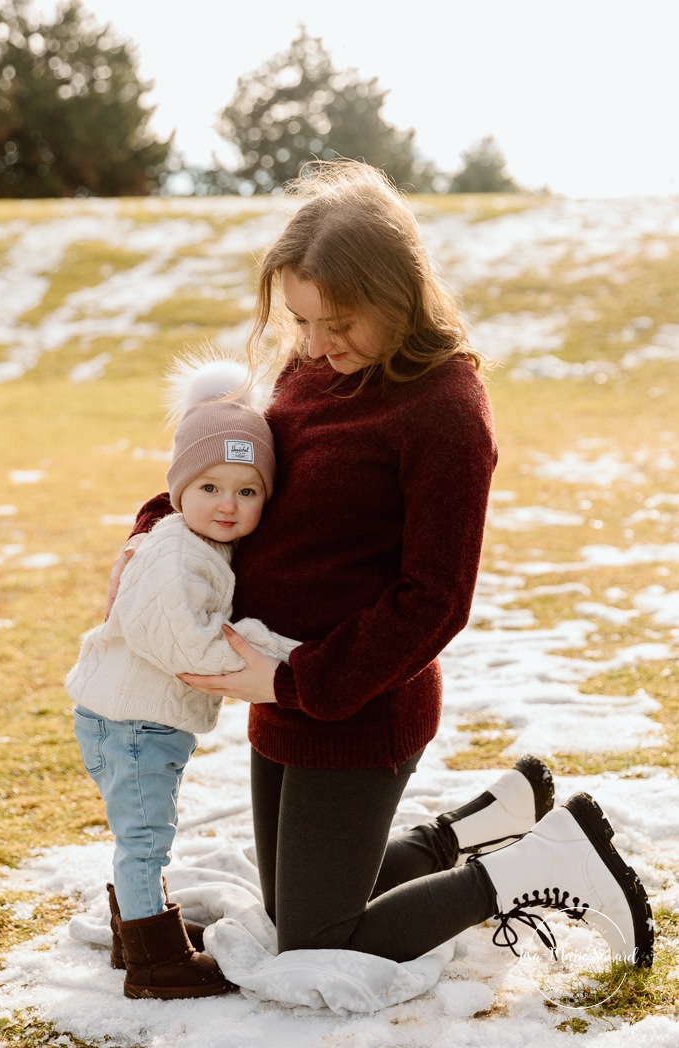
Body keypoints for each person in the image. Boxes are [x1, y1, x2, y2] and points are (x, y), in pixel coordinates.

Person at [113, 161, 653, 974]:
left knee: (317, 941)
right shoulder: (309, 371)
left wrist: (293, 683)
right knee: (290, 905)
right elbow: (245, 482)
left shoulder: (444, 409)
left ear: (398, 292)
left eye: (340, 322)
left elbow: (434, 599)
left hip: (357, 701)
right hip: (279, 686)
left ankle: (539, 864)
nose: (318, 346)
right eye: (301, 322)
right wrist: (156, 533)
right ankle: (463, 832)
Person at [67, 358, 299, 999]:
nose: (228, 505)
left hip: (140, 718)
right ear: (178, 490)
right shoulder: (172, 555)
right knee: (144, 839)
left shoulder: (200, 544)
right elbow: (190, 648)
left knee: (141, 831)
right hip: (134, 723)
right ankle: (154, 963)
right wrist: (278, 656)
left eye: (247, 491)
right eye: (211, 488)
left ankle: (131, 933)